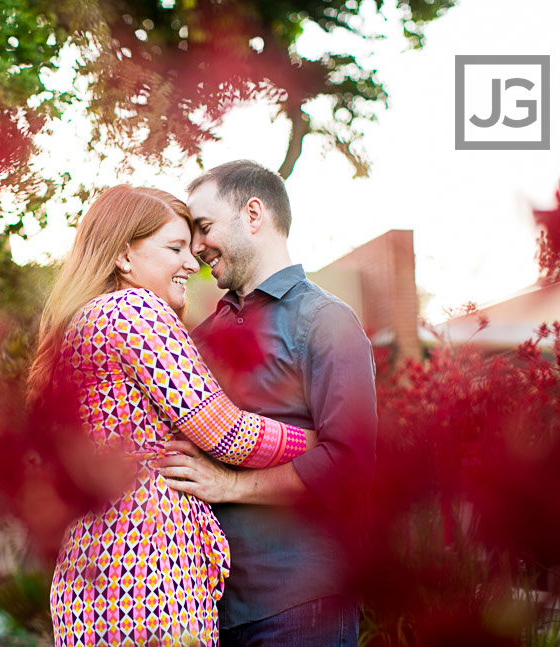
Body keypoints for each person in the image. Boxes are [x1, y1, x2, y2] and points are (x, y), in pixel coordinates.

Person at [27, 184, 321, 647]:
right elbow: (224, 433)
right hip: (145, 581)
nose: (192, 262)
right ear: (124, 257)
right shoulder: (132, 309)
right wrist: (318, 443)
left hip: (94, 581)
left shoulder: (78, 325)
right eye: (175, 248)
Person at [154, 160, 378, 647]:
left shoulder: (325, 321)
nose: (196, 247)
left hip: (299, 602)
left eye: (205, 227)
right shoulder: (199, 337)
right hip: (209, 607)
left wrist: (230, 485)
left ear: (253, 214)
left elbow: (348, 462)